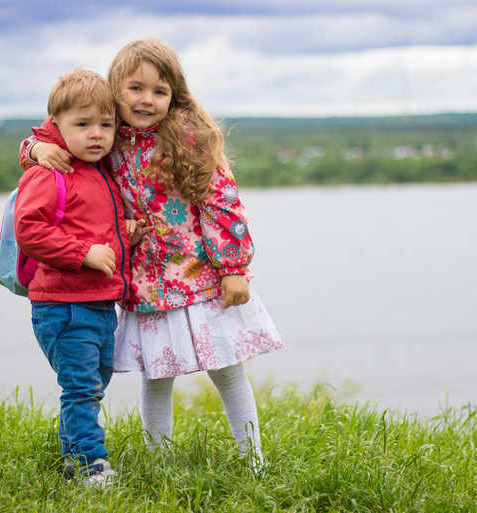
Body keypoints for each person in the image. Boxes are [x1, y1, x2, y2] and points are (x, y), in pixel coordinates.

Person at [21, 39, 283, 466]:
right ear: (115, 91)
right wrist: (33, 149)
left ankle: (253, 460)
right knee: (156, 374)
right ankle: (160, 461)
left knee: (227, 369)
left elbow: (222, 201)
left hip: (200, 274)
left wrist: (233, 267)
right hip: (145, 283)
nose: (147, 100)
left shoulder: (187, 137)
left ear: (174, 94)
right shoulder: (107, 135)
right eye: (135, 89)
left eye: (159, 91)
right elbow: (57, 131)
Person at [15, 67, 145, 487]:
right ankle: (92, 464)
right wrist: (83, 253)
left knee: (93, 382)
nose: (96, 134)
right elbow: (30, 229)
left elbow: (89, 222)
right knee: (82, 388)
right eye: (83, 124)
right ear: (57, 124)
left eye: (106, 125)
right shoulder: (50, 172)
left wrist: (125, 233)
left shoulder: (97, 169)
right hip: (63, 305)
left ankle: (73, 457)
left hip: (98, 303)